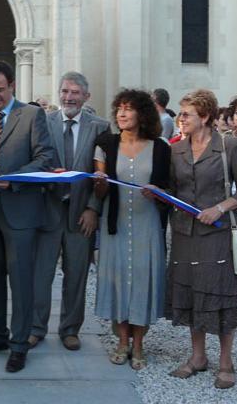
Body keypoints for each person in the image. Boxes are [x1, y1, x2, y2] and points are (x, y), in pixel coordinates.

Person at [165, 90, 237, 389]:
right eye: (180, 114)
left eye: (186, 114)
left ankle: (226, 362)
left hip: (217, 233)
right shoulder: (175, 150)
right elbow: (172, 189)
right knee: (192, 294)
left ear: (204, 117)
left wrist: (219, 207)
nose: (181, 119)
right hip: (183, 234)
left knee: (220, 295)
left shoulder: (228, 146)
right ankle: (198, 357)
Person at [0, 60, 54, 373]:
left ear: (13, 85)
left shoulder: (32, 115)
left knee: (20, 281)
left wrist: (15, 177)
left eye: (0, 90)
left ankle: (19, 345)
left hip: (21, 211)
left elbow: (46, 158)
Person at [92, 89, 170, 370]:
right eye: (119, 108)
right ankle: (122, 341)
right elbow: (100, 192)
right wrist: (99, 181)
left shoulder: (160, 147)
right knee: (117, 281)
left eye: (129, 108)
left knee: (141, 281)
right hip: (116, 225)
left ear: (142, 114)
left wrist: (159, 192)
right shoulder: (105, 144)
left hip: (147, 224)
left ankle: (139, 344)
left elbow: (168, 190)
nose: (122, 114)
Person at [31, 72, 109, 351]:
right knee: (41, 274)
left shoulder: (100, 127)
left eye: (75, 92)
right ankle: (35, 327)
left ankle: (70, 329)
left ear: (86, 96)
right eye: (64, 91)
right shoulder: (43, 122)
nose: (68, 97)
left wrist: (93, 208)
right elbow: (35, 161)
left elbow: (103, 174)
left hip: (81, 215)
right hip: (48, 211)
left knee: (76, 274)